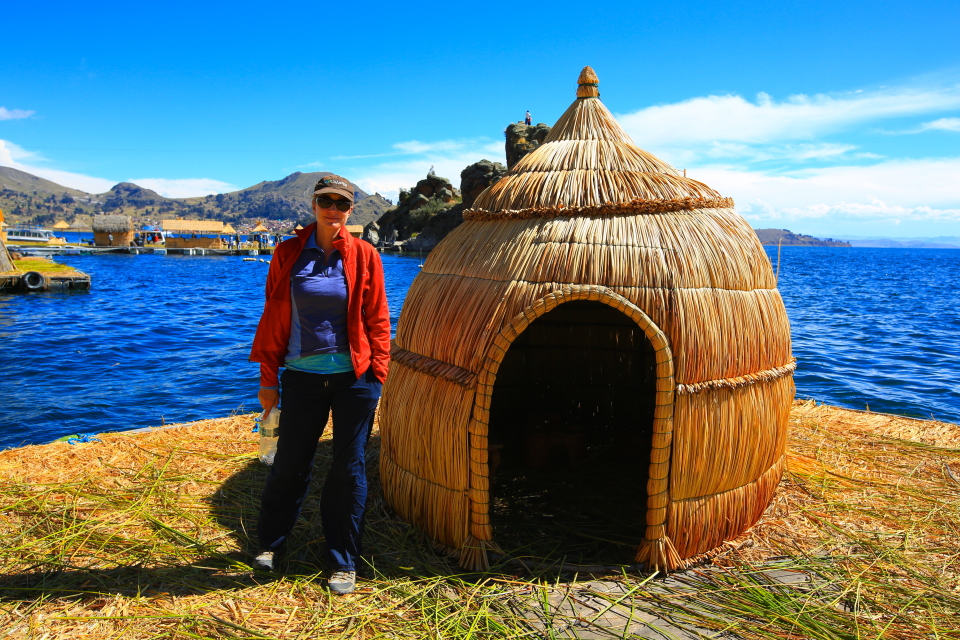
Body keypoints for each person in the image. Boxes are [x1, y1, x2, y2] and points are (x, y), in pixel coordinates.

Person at [249, 174, 390, 595]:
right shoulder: (288, 253)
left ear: (351, 211)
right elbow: (273, 315)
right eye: (326, 201)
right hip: (302, 378)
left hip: (354, 379)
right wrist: (269, 379)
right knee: (290, 464)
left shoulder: (365, 255)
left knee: (349, 471)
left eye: (341, 204)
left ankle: (343, 561)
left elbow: (378, 319)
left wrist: (376, 374)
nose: (333, 209)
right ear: (313, 204)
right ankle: (271, 545)